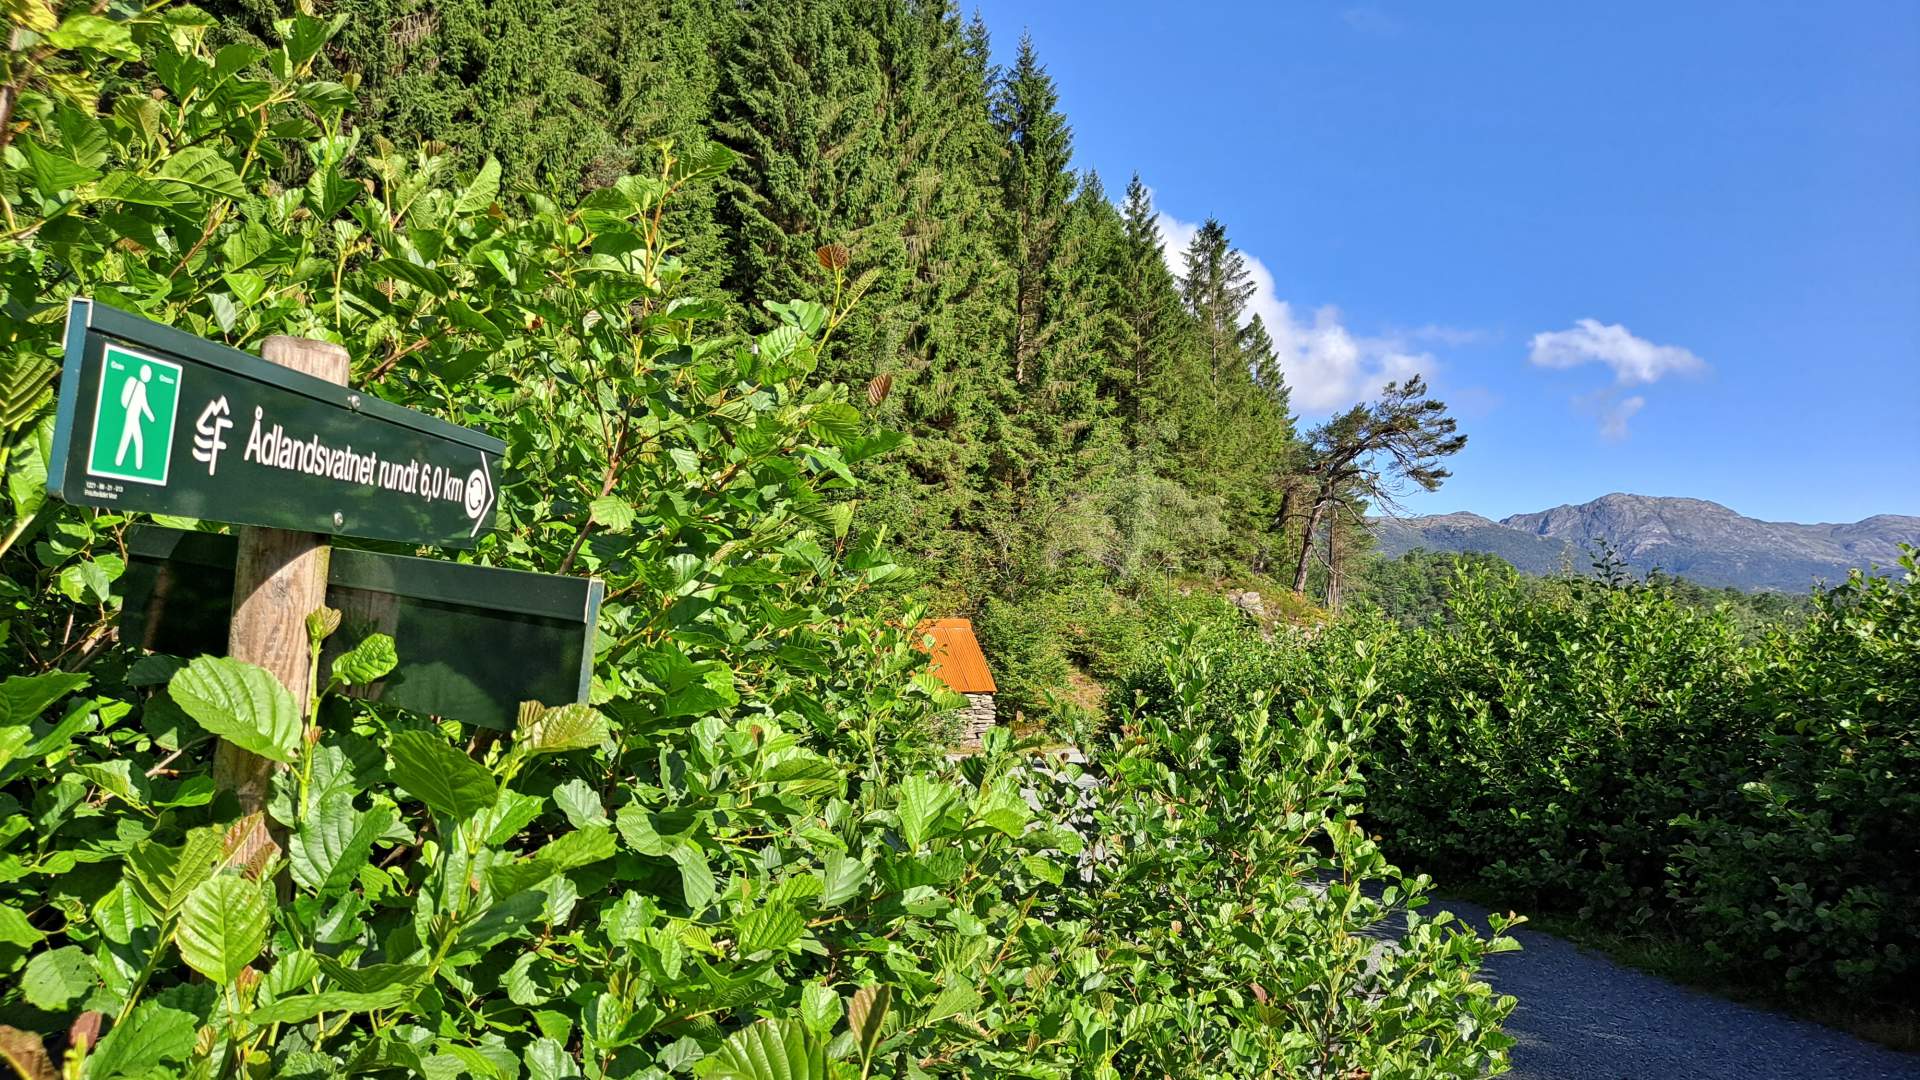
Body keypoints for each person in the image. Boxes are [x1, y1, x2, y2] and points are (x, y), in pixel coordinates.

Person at [116, 364, 156, 470]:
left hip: (131, 415)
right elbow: (144, 404)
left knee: (128, 438)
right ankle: (138, 466)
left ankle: (119, 462)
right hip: (133, 417)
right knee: (137, 441)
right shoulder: (141, 387)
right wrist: (151, 417)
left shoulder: (138, 385)